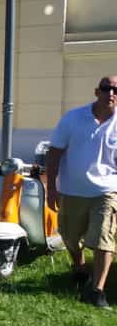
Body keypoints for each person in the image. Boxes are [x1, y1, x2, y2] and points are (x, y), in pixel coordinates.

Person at [46, 74, 117, 309]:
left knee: (104, 238)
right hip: (72, 190)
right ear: (97, 91)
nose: (111, 94)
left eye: (115, 90)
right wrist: (51, 188)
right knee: (70, 236)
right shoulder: (73, 118)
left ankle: (97, 291)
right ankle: (79, 266)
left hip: (107, 191)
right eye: (106, 88)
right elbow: (54, 153)